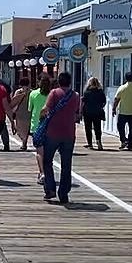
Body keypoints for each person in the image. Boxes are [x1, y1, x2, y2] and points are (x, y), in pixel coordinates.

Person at [40, 72, 81, 204]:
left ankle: (50, 189)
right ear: (70, 82)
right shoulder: (75, 96)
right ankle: (63, 193)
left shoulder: (54, 93)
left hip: (52, 132)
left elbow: (46, 109)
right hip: (69, 133)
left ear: (59, 81)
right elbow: (77, 113)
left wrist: (41, 118)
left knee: (47, 161)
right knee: (66, 164)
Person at [28, 76, 52, 185]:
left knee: (39, 152)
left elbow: (30, 109)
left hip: (36, 125)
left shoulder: (33, 94)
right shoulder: (52, 95)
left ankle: (42, 173)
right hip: (50, 125)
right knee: (47, 152)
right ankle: (46, 172)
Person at [112, 71, 132, 151]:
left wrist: (114, 109)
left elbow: (116, 99)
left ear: (125, 78)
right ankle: (130, 144)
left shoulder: (122, 88)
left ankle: (124, 140)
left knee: (120, 127)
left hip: (123, 112)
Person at [82, 77, 106, 150]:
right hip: (97, 112)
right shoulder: (100, 92)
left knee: (88, 128)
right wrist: (100, 106)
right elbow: (104, 102)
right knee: (97, 128)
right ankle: (98, 141)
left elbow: (83, 102)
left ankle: (90, 144)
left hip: (87, 112)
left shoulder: (86, 92)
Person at [10, 78, 32, 151]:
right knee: (26, 129)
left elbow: (14, 101)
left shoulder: (18, 92)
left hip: (19, 113)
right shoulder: (31, 92)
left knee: (20, 129)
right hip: (29, 112)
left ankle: (24, 143)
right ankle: (24, 142)